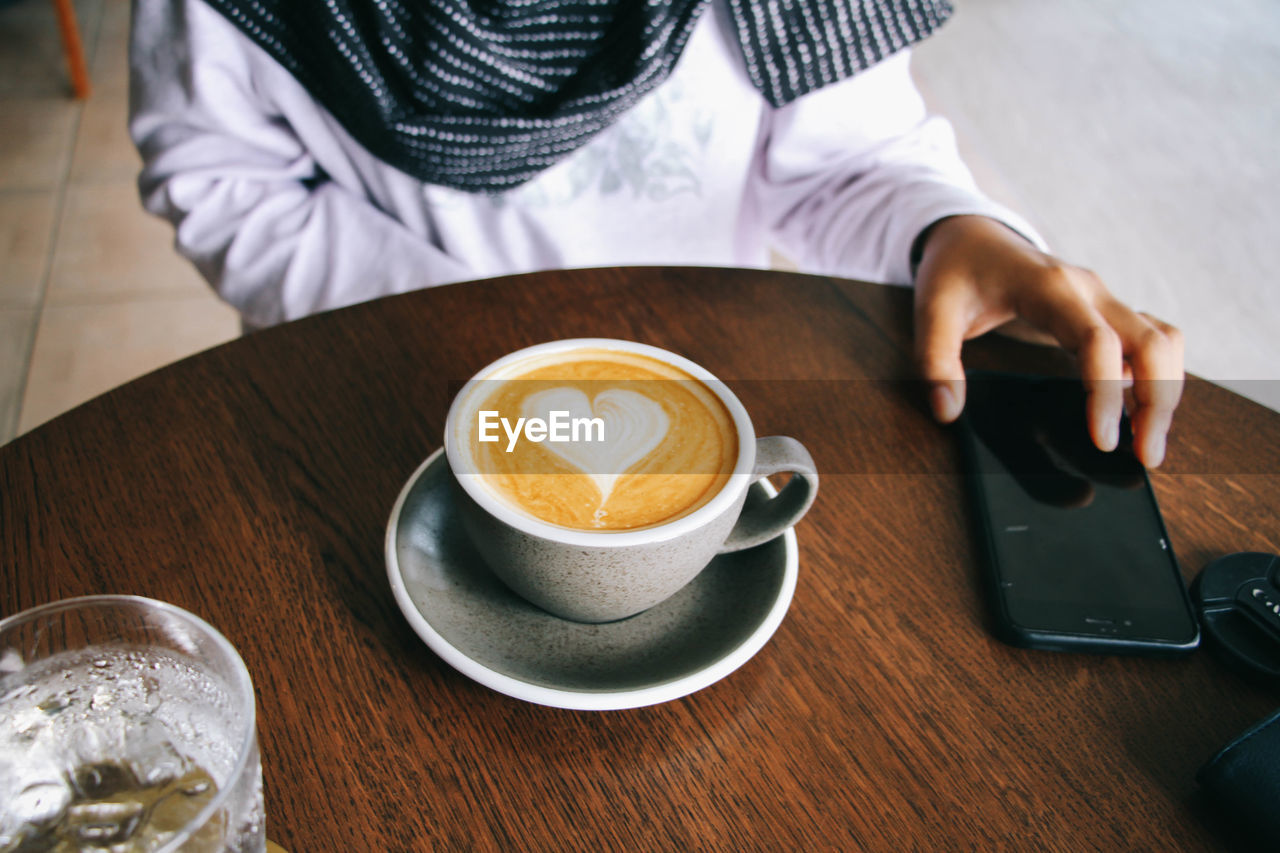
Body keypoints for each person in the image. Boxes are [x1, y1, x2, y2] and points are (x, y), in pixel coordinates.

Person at [128, 0, 1183, 467]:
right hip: (382, 393)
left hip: (698, 404)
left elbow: (849, 160)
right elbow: (225, 180)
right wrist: (466, 344)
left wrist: (948, 227)